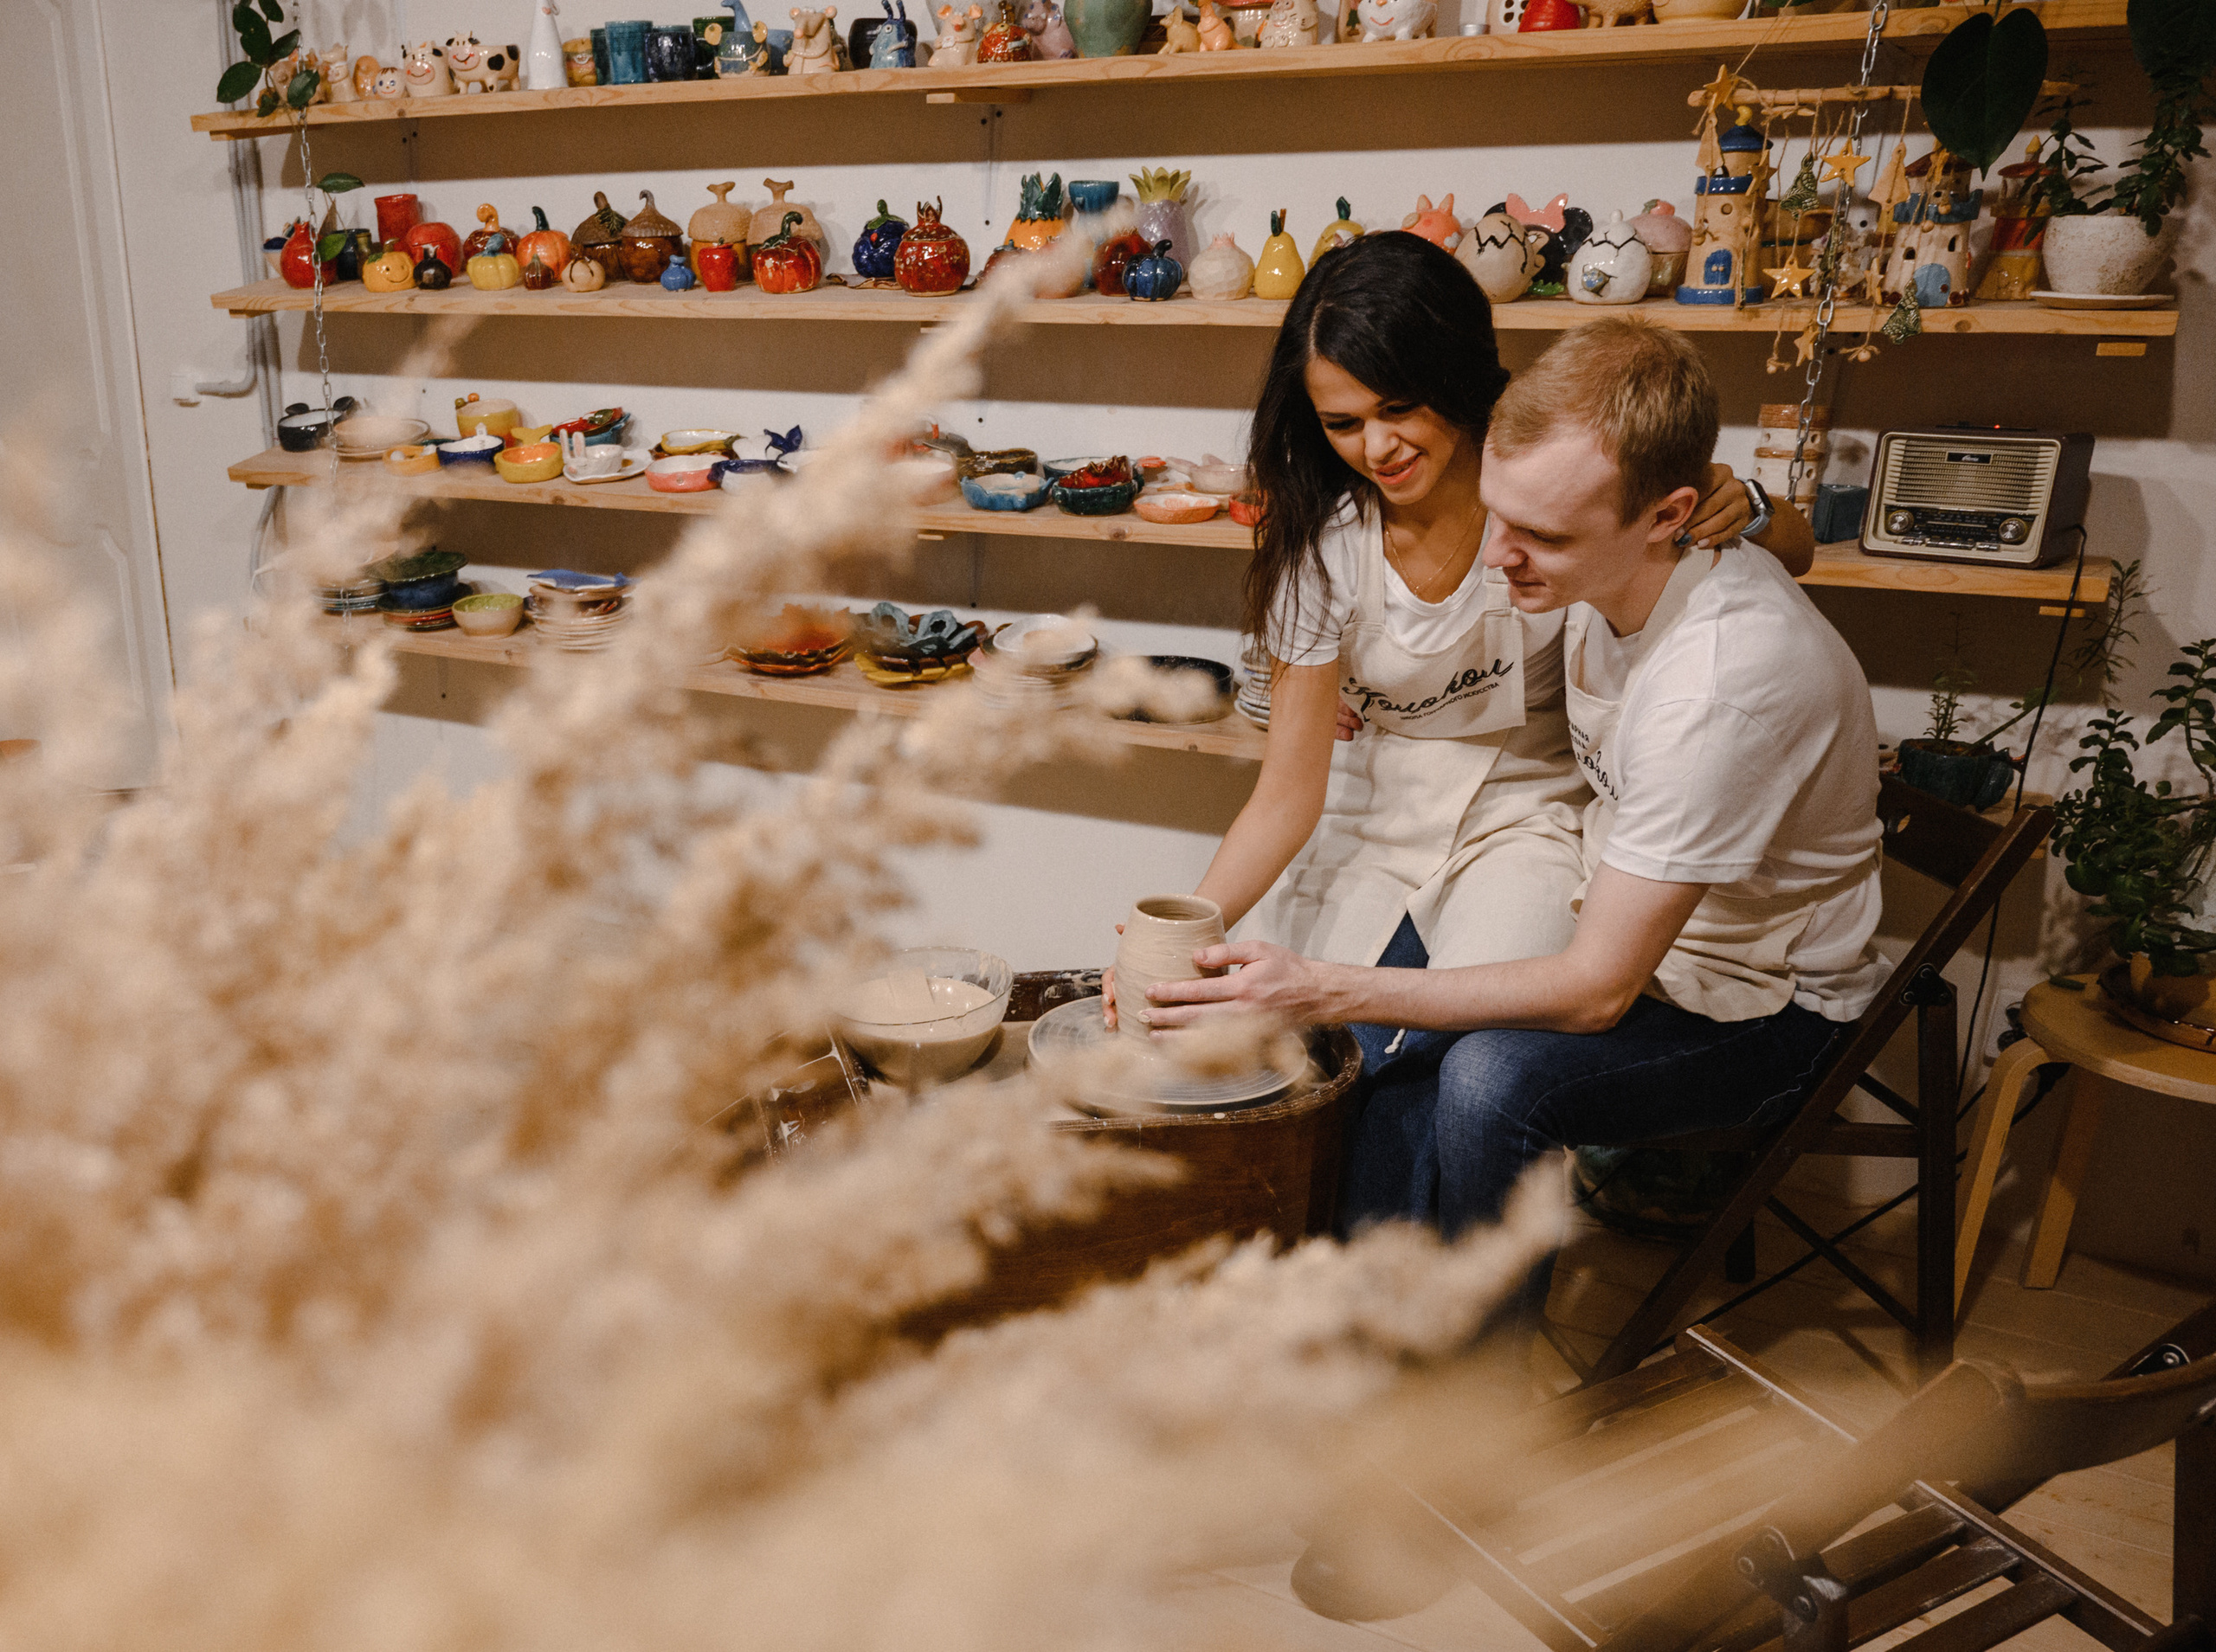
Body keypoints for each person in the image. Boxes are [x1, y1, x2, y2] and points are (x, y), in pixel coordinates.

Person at [1140, 316, 1884, 1248]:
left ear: (1670, 516)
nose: (1496, 556)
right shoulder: (1602, 571)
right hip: (1641, 924)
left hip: (1762, 1002)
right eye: (1498, 514)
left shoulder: (1715, 683)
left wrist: (1322, 987)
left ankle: (1476, 1340)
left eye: (1540, 534)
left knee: (1485, 1077)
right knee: (1362, 1047)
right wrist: (1353, 690)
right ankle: (1371, 1288)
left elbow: (1594, 990)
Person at [1105, 234, 1813, 1054]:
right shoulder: (1324, 544)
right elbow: (1287, 793)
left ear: (1456, 374)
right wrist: (1186, 932)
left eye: (1399, 407)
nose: (1377, 448)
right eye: (1342, 423)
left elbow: (1789, 555)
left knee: (1452, 1046)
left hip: (1529, 813)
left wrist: (1749, 505)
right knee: (1282, 1046)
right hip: (1376, 802)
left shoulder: (1547, 480)